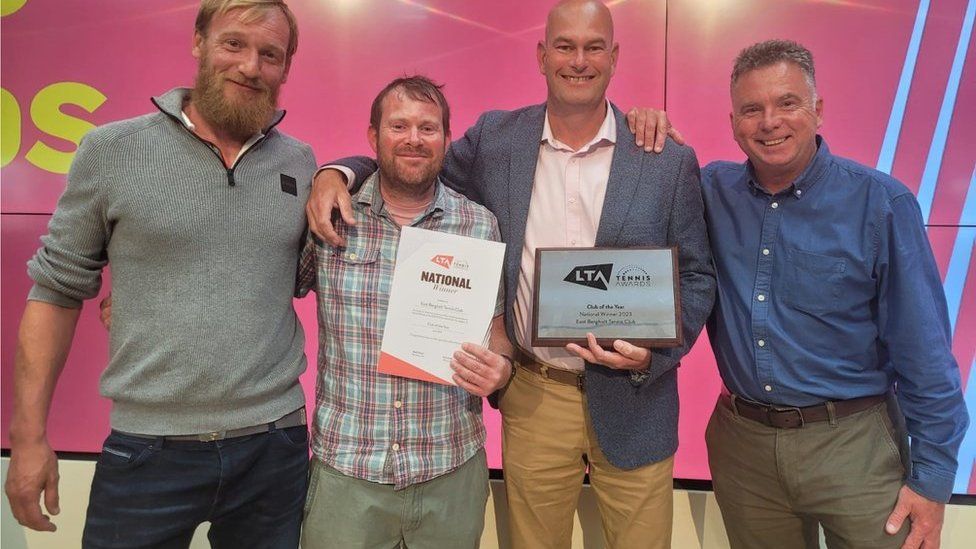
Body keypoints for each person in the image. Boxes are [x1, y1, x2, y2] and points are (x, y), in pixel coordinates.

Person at [306, 2, 715, 547]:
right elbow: (411, 162)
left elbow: (696, 275)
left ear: (614, 58)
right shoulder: (497, 140)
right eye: (564, 46)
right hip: (535, 397)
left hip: (638, 401)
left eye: (594, 47)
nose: (579, 60)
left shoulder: (663, 157)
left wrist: (658, 352)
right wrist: (339, 170)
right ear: (542, 55)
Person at [3, 1, 315, 547]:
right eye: (233, 44)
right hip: (149, 452)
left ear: (286, 68)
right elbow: (55, 293)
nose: (250, 66)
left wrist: (343, 170)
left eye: (270, 54)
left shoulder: (300, 162)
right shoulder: (113, 150)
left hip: (275, 446)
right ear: (199, 42)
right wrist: (27, 437)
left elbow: (298, 277)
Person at [701, 39, 969, 549]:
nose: (769, 122)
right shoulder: (711, 191)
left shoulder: (882, 203)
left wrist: (932, 480)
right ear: (733, 121)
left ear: (818, 110)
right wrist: (640, 122)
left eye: (787, 103)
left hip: (857, 448)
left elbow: (926, 353)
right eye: (751, 109)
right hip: (745, 449)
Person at [295, 74, 513, 549]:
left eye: (428, 128)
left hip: (449, 468)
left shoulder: (478, 223)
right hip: (348, 472)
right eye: (399, 126)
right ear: (373, 137)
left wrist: (502, 366)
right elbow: (268, 289)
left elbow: (497, 328)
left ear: (447, 140)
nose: (414, 139)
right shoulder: (329, 216)